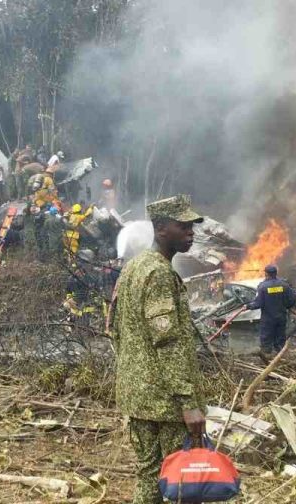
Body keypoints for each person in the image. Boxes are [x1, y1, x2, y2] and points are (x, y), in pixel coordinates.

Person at [113, 195, 206, 504]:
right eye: (184, 226)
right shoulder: (160, 275)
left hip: (137, 396)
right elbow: (168, 344)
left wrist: (134, 373)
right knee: (180, 483)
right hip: (167, 405)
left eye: (192, 226)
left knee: (149, 474)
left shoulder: (133, 268)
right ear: (162, 228)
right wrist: (189, 402)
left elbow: (114, 328)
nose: (191, 233)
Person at [246, 264, 296, 356]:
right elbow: (293, 299)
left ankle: (266, 357)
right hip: (281, 317)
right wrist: (286, 306)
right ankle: (280, 357)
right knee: (280, 338)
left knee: (266, 339)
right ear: (276, 273)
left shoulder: (263, 287)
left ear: (266, 274)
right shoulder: (284, 285)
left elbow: (258, 303)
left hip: (268, 319)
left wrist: (248, 306)